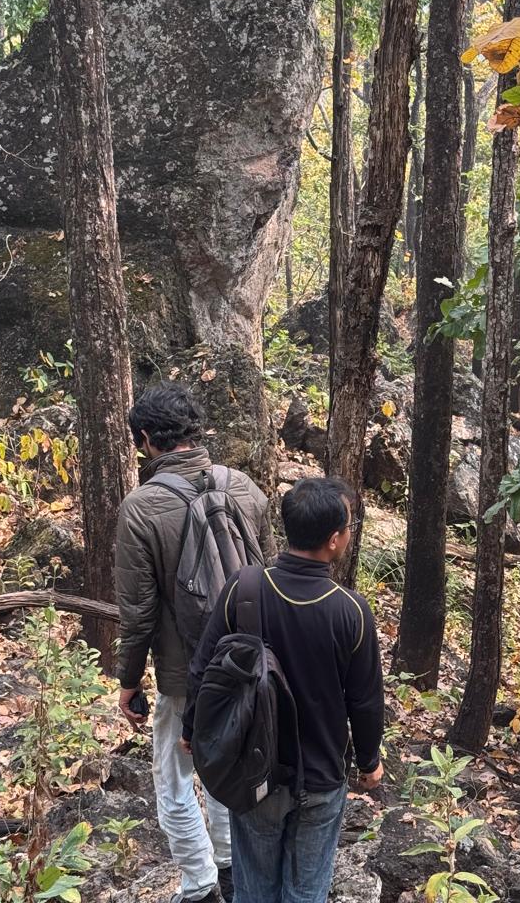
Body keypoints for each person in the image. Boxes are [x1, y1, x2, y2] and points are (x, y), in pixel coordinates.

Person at [182, 478, 384, 903]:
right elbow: (364, 701)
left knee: (254, 890)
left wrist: (191, 729)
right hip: (323, 776)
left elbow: (205, 668)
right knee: (306, 892)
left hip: (257, 771)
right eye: (349, 527)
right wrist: (369, 761)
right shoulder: (350, 610)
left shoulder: (245, 587)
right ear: (334, 540)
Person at [115, 385, 276, 903]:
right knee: (230, 764)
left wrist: (127, 680)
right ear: (196, 431)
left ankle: (200, 885)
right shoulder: (246, 489)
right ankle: (230, 867)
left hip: (185, 672)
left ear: (145, 440)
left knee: (174, 779)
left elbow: (137, 613)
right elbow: (272, 577)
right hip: (252, 662)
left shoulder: (141, 508)